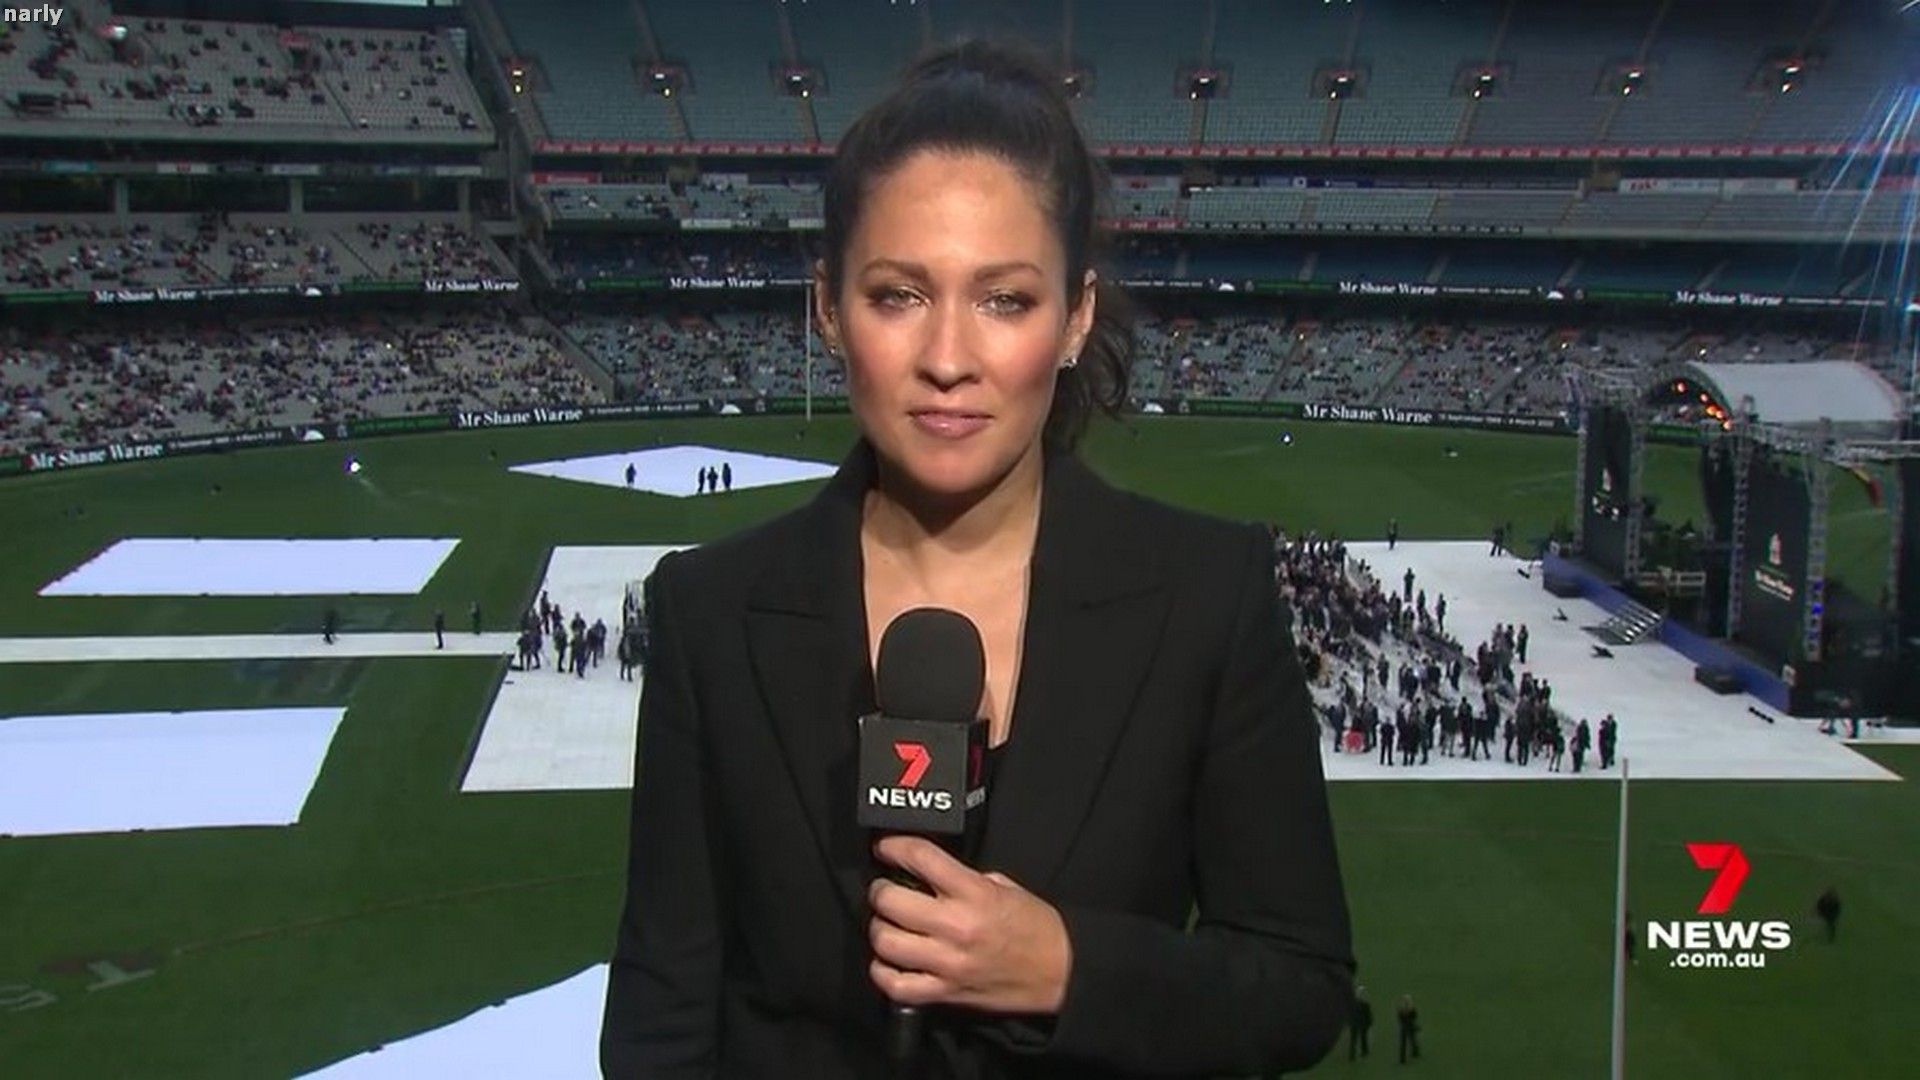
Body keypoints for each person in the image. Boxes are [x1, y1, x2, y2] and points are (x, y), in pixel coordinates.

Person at [600, 39, 1353, 1080]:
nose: (949, 358)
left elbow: (1302, 986)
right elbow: (660, 1025)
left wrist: (1067, 968)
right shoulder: (709, 613)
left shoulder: (1208, 599)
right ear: (827, 310)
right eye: (897, 295)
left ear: (1076, 316)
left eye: (1004, 300)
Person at [1349, 984, 1372, 1060]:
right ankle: (1364, 1051)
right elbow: (1368, 1015)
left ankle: (1352, 1055)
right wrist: (1369, 1022)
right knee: (1363, 1037)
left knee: (1354, 1039)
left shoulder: (1352, 1004)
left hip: (1354, 1023)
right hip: (1362, 1023)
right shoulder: (1365, 1005)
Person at [1396, 993, 1420, 1064]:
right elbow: (1414, 1016)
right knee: (1411, 1040)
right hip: (1409, 1026)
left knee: (1408, 1041)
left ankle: (1403, 1058)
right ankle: (1413, 1053)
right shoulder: (1410, 1009)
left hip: (1405, 1027)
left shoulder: (1402, 1010)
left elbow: (1400, 1018)